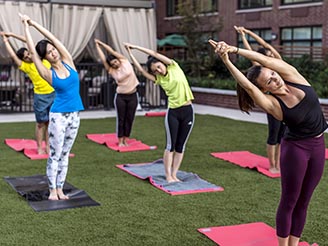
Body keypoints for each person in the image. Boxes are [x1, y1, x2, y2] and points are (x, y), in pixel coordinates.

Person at [209, 39, 327, 246]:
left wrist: (234, 49)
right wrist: (227, 60)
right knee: (290, 201)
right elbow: (247, 85)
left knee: (304, 201)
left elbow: (264, 59)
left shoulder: (293, 76)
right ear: (265, 90)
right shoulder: (272, 103)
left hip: (318, 146)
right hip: (296, 150)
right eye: (269, 81)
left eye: (273, 74)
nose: (276, 79)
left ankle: (295, 244)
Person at [20, 14, 84, 200]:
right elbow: (32, 51)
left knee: (65, 154)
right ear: (45, 57)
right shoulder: (48, 73)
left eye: (53, 49)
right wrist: (25, 27)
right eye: (49, 52)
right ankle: (52, 191)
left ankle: (61, 189)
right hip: (58, 116)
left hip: (74, 115)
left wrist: (35, 23)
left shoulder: (68, 61)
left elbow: (53, 38)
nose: (54, 52)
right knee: (55, 154)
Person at [124, 43, 194, 183]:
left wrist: (135, 47)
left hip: (188, 111)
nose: (158, 70)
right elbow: (142, 72)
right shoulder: (159, 80)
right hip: (173, 112)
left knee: (181, 146)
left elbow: (154, 54)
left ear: (162, 63)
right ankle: (168, 176)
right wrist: (131, 55)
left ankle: (175, 174)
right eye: (155, 70)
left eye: (158, 66)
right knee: (171, 145)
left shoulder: (174, 67)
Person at [234, 26, 286, 173]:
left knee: (283, 136)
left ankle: (280, 164)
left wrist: (249, 32)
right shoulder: (260, 70)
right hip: (273, 104)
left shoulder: (279, 65)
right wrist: (243, 36)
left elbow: (266, 44)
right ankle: (272, 165)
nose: (271, 55)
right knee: (273, 135)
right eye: (268, 55)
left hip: (285, 104)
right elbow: (250, 51)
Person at [0, 31, 55, 155]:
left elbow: (27, 39)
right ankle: (40, 148)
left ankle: (48, 147)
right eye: (26, 57)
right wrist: (5, 41)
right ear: (24, 60)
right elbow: (14, 56)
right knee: (41, 124)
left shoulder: (40, 58)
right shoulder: (26, 66)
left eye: (29, 53)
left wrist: (11, 34)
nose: (29, 56)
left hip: (52, 94)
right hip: (40, 96)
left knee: (49, 123)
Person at [94, 39, 139, 147]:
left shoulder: (124, 61)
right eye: (112, 64)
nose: (114, 64)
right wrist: (97, 47)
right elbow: (104, 60)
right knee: (121, 119)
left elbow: (112, 51)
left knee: (130, 118)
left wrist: (102, 43)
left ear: (118, 60)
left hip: (133, 95)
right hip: (121, 97)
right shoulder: (112, 71)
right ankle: (120, 141)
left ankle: (126, 139)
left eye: (115, 61)